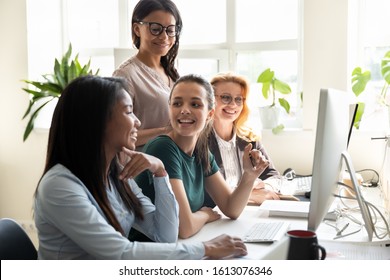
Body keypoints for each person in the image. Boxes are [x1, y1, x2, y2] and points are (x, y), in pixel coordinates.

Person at [33, 75, 247, 260]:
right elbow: (120, 254)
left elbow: (165, 235)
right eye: (128, 112)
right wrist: (206, 248)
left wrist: (161, 173)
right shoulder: (60, 186)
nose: (137, 122)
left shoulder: (116, 176)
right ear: (96, 121)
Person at [135, 74, 270, 239]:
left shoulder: (201, 152)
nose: (184, 110)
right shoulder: (163, 147)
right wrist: (206, 214)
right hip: (150, 252)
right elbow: (184, 228)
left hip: (181, 246)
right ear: (169, 108)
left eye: (195, 104)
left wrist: (249, 176)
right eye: (177, 103)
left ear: (210, 114)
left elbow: (231, 208)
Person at [112, 0, 182, 150]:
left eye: (170, 30)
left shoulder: (173, 73)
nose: (164, 37)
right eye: (156, 29)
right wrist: (167, 131)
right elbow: (115, 135)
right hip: (143, 169)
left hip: (173, 165)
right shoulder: (125, 75)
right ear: (137, 29)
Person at [206, 72, 281, 207]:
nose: (233, 105)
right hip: (215, 216)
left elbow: (273, 175)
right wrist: (249, 194)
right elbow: (201, 193)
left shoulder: (249, 139)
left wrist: (266, 186)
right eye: (225, 98)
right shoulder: (198, 142)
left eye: (239, 99)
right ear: (210, 100)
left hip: (248, 213)